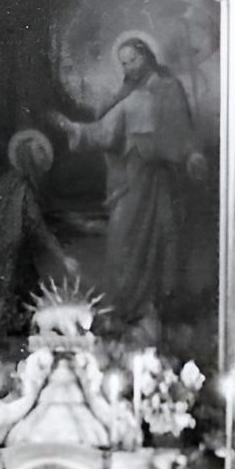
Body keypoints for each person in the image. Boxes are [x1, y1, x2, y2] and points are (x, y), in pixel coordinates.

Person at [53, 37, 198, 335]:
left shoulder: (168, 89)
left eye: (132, 59)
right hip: (130, 180)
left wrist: (191, 154)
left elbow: (184, 131)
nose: (128, 67)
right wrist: (76, 130)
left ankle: (153, 308)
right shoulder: (126, 95)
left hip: (159, 179)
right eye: (123, 62)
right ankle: (127, 307)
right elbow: (106, 131)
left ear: (147, 56)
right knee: (123, 241)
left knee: (160, 239)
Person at [0, 130, 76, 338]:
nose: (41, 158)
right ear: (26, 156)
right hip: (3, 252)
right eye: (37, 152)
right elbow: (38, 229)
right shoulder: (21, 187)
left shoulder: (9, 182)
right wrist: (63, 258)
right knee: (3, 294)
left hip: (4, 250)